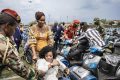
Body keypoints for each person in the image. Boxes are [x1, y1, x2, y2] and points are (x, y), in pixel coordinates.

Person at [0, 9, 37, 79]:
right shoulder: (4, 45)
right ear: (7, 26)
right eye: (14, 27)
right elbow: (23, 70)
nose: (15, 31)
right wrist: (39, 73)